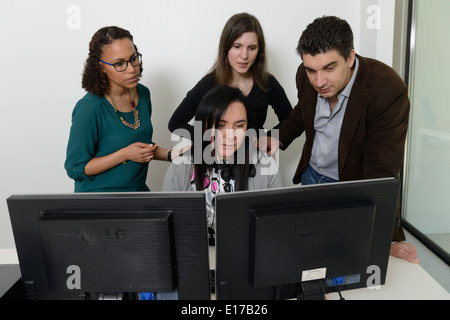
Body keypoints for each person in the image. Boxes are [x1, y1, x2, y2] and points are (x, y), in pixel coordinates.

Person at [260, 16, 419, 263]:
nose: (319, 81)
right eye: (312, 70)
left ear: (350, 57)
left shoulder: (387, 91)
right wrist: (278, 137)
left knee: (346, 256)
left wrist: (381, 238)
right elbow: (304, 109)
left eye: (329, 68)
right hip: (312, 177)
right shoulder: (305, 75)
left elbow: (381, 172)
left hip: (352, 186)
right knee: (306, 252)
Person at [163, 86, 283, 245]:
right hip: (193, 252)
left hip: (245, 253)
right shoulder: (182, 165)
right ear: (204, 125)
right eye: (220, 125)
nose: (230, 135)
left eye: (239, 125)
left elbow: (274, 227)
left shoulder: (265, 166)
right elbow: (169, 226)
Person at [65, 26, 178, 192]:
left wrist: (174, 155)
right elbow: (74, 168)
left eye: (133, 59)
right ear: (101, 67)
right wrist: (124, 154)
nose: (132, 69)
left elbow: (140, 146)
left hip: (137, 195)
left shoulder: (143, 94)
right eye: (119, 64)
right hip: (98, 201)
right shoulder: (89, 108)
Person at [168, 12, 292, 139]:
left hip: (253, 157)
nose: (244, 56)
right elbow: (175, 124)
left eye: (252, 48)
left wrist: (267, 139)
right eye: (237, 46)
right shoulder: (208, 84)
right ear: (226, 47)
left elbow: (291, 121)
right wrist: (210, 138)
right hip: (214, 158)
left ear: (259, 50)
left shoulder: (267, 83)